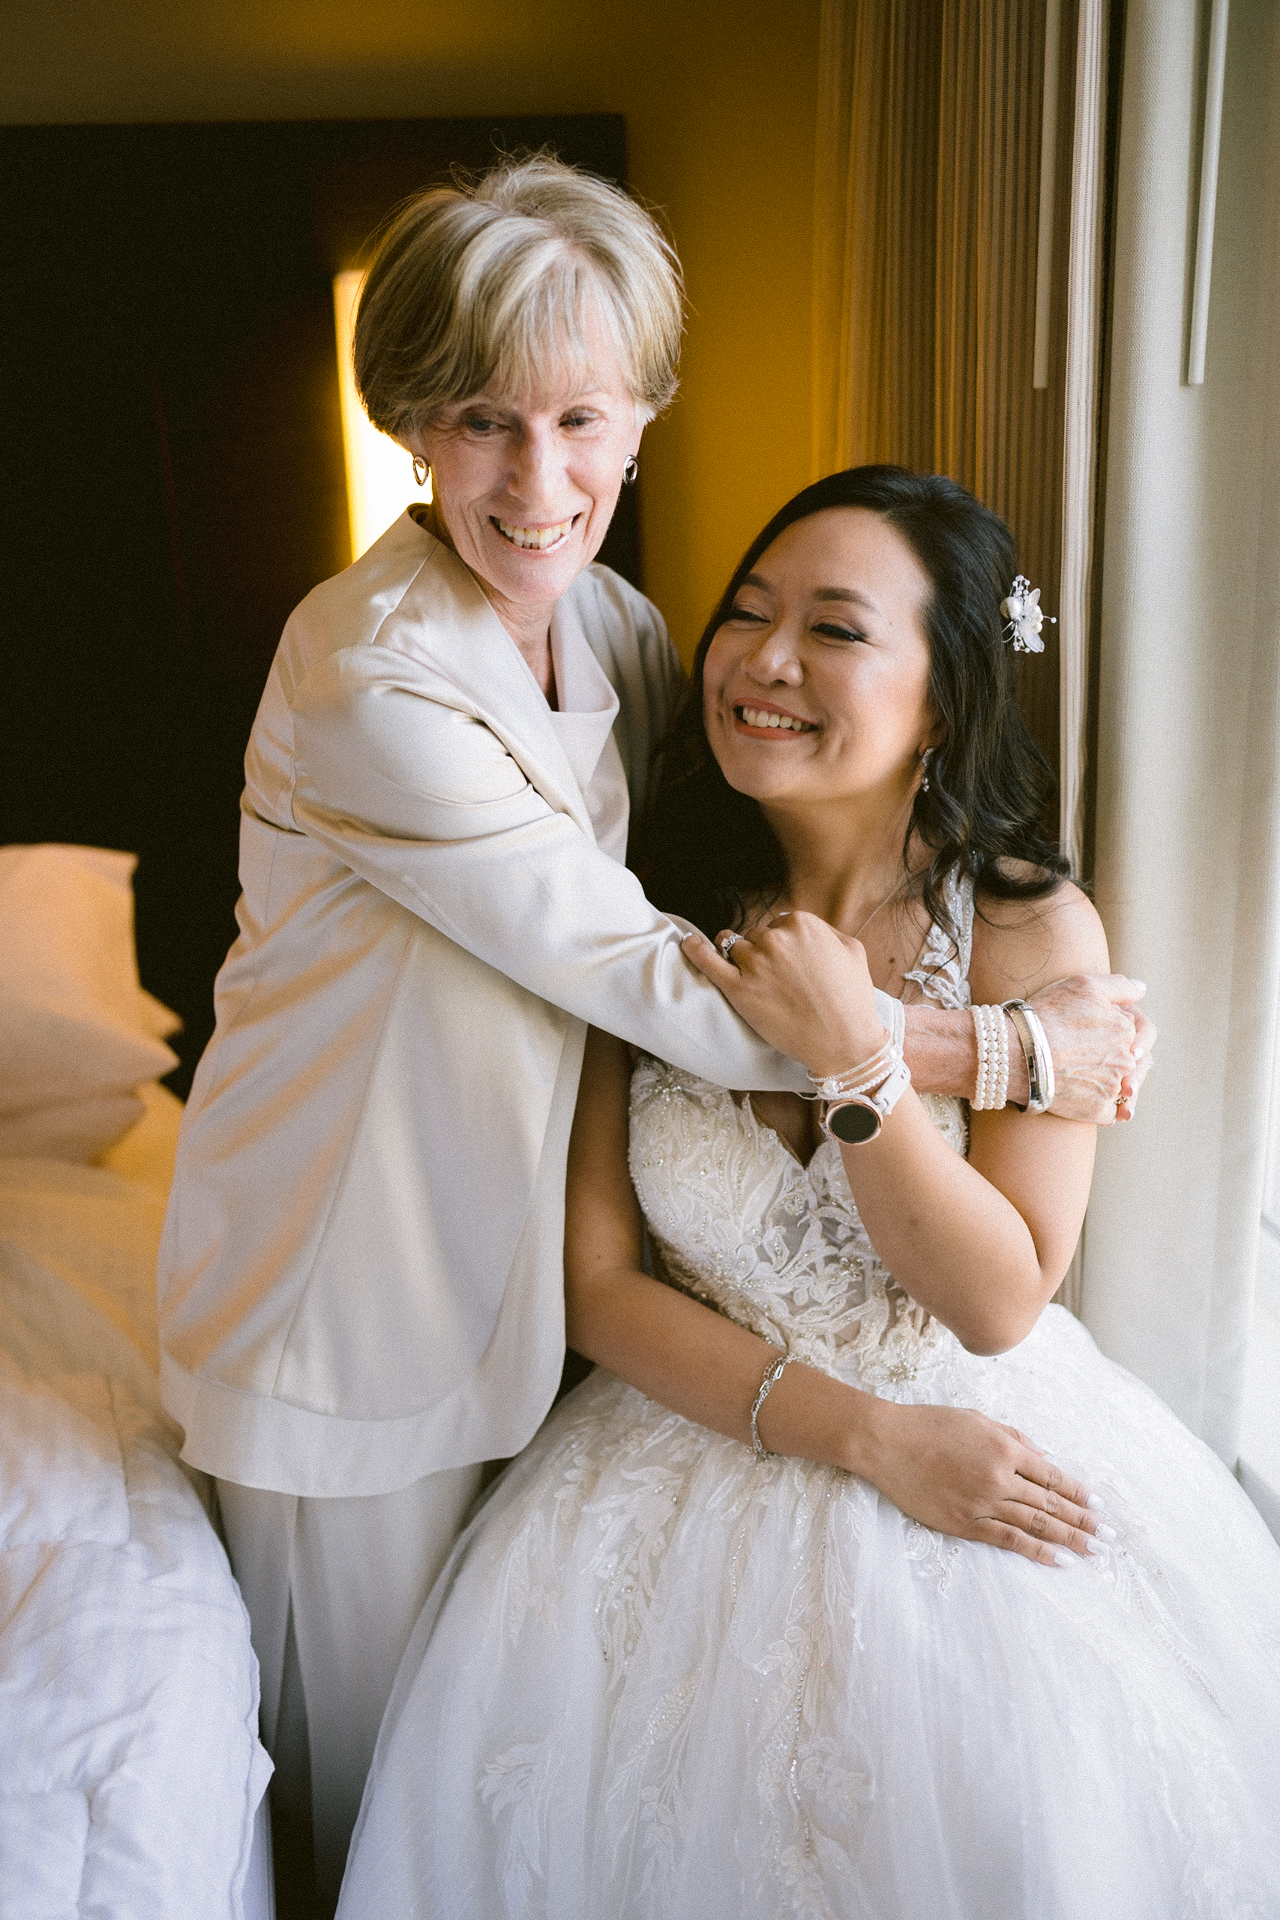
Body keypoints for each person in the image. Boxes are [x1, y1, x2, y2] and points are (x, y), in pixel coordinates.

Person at [155, 159, 1149, 1905]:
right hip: (355, 1296)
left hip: (552, 1319)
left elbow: (740, 985)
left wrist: (970, 1028)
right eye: (480, 422)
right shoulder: (366, 674)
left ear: (641, 419)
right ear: (405, 421)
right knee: (374, 1816)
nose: (539, 485)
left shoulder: (615, 628)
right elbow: (651, 982)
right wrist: (1006, 1057)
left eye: (579, 420)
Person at [336, 469, 1280, 1920]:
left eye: (833, 629)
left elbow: (998, 1297)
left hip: (986, 1443)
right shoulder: (636, 909)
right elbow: (600, 1289)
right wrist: (869, 1440)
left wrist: (858, 1058)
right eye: (748, 613)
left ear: (943, 701)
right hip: (687, 1441)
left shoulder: (1029, 928)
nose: (762, 662)